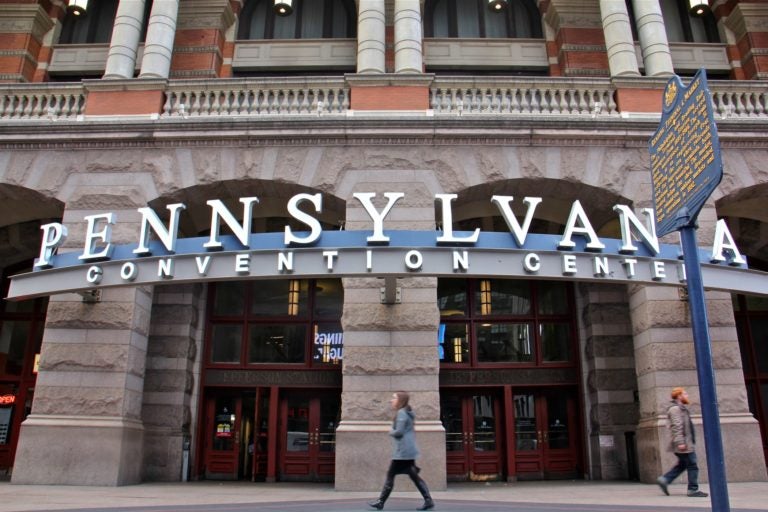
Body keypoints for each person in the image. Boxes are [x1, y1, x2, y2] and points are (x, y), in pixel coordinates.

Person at [368, 391, 435, 511]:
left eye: (394, 398)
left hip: (403, 451)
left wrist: (390, 431)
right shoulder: (408, 412)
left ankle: (380, 502)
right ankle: (428, 500)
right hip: (409, 450)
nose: (391, 400)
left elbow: (399, 432)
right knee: (413, 476)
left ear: (400, 400)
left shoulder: (401, 413)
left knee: (390, 474)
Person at [656, 387, 709, 498]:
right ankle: (693, 489)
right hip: (683, 443)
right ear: (679, 396)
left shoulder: (681, 408)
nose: (687, 395)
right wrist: (680, 442)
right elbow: (676, 426)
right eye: (685, 393)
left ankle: (665, 479)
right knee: (692, 465)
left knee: (683, 464)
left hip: (685, 442)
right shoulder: (675, 409)